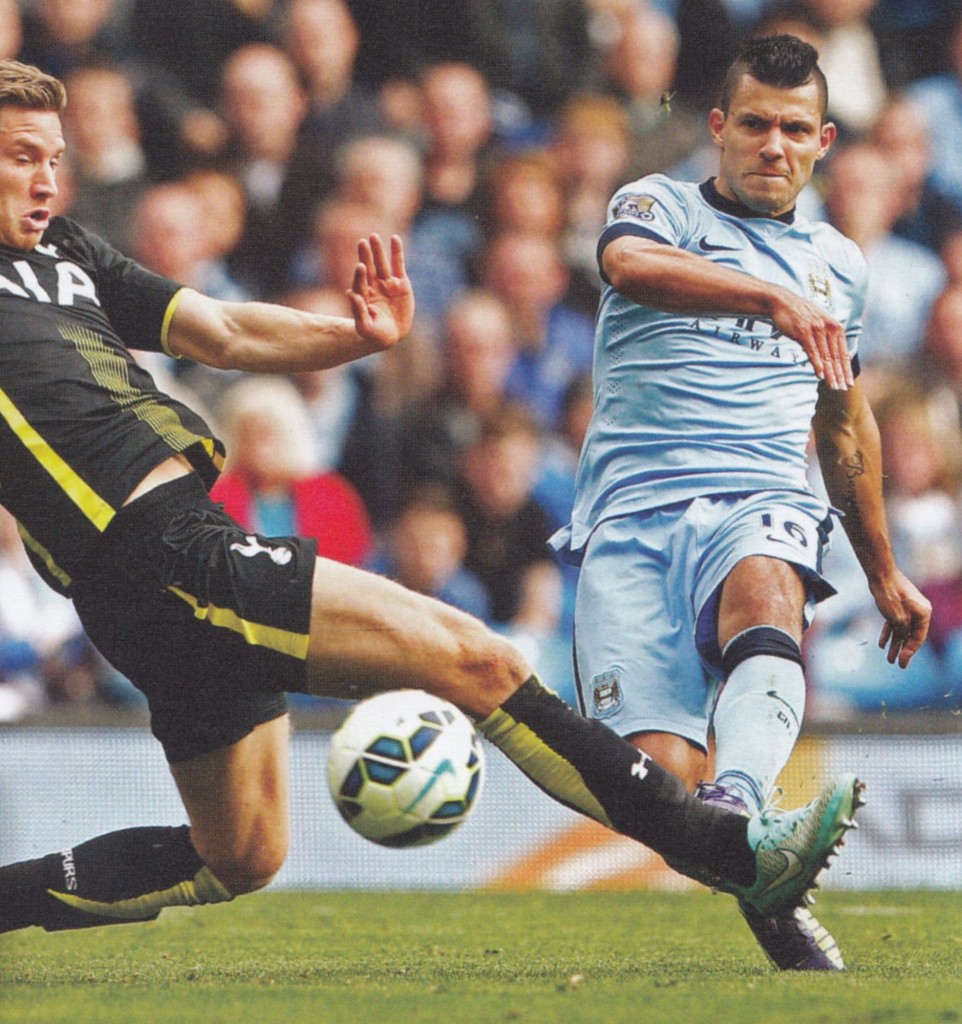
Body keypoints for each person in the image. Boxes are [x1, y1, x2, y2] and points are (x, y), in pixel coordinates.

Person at [0, 58, 860, 943]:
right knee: (474, 659)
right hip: (158, 551)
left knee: (240, 856)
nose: (48, 180)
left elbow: (216, 328)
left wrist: (353, 335)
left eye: (56, 158)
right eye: (23, 156)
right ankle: (734, 850)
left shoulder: (63, 250)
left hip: (172, 556)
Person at [549, 35, 929, 971]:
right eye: (754, 123)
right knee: (658, 786)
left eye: (794, 129)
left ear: (824, 141)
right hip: (631, 517)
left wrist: (883, 571)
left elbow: (845, 429)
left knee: (768, 590)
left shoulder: (840, 266)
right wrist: (771, 300)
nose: (773, 144)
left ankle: (745, 797)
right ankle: (757, 871)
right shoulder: (658, 204)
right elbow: (631, 268)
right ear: (718, 128)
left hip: (758, 495)